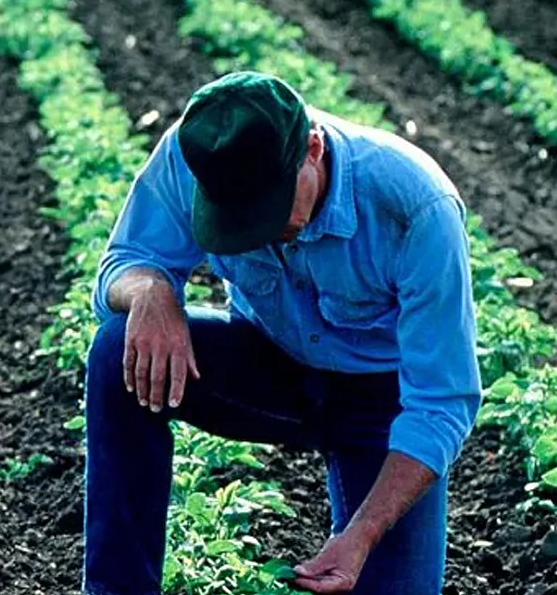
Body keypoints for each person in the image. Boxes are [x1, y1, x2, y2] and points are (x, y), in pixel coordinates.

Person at [83, 71, 482, 595]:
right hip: (264, 364)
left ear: (312, 148)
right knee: (118, 352)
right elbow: (128, 260)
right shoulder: (200, 155)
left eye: (270, 210)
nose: (260, 230)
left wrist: (361, 534)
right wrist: (150, 291)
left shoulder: (415, 207)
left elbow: (442, 401)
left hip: (378, 404)